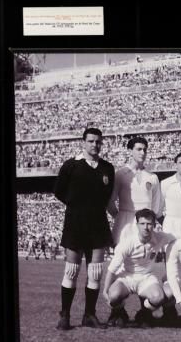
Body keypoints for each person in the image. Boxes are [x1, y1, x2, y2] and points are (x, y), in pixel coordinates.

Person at [53, 127, 114, 330]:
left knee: (95, 271)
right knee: (71, 270)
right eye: (90, 141)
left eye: (98, 141)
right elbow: (59, 191)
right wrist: (77, 206)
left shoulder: (107, 168)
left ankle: (89, 314)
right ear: (83, 142)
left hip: (98, 224)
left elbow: (107, 195)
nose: (94, 145)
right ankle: (65, 315)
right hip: (75, 223)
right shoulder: (71, 165)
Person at [103, 209, 173, 327]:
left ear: (154, 225)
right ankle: (120, 311)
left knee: (158, 297)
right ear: (137, 225)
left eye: (149, 224)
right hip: (127, 276)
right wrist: (105, 290)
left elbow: (180, 239)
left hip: (147, 278)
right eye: (142, 224)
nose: (146, 227)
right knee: (113, 296)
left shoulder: (160, 238)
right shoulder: (127, 243)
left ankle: (144, 313)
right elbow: (112, 268)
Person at [108, 136, 162, 244]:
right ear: (130, 151)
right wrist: (120, 217)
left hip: (146, 222)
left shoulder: (152, 177)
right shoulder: (120, 174)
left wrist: (150, 220)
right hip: (125, 222)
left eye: (145, 150)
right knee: (123, 257)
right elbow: (110, 202)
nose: (142, 153)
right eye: (139, 149)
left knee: (146, 257)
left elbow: (156, 206)